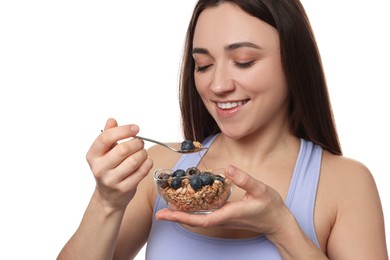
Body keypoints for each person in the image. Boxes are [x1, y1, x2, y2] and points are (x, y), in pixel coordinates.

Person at [57, 0, 388, 259]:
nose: (217, 85)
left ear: (294, 61)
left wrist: (282, 228)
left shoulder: (345, 184)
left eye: (243, 61)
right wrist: (107, 201)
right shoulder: (160, 169)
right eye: (203, 65)